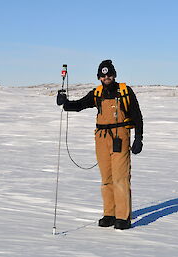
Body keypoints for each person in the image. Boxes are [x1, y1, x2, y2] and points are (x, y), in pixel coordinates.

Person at [56, 60, 143, 230]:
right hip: (101, 138)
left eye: (109, 74)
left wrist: (139, 137)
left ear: (114, 75)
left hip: (120, 137)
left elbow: (137, 115)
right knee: (107, 178)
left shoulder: (125, 91)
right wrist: (65, 103)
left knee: (120, 178)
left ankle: (123, 217)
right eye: (103, 75)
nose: (106, 77)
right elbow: (80, 105)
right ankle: (109, 214)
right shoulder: (97, 93)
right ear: (99, 77)